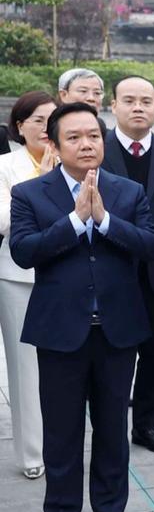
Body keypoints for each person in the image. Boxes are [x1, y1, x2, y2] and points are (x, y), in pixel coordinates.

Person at [9, 102, 154, 512]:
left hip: (117, 329)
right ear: (53, 145)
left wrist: (106, 221)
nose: (86, 144)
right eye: (73, 137)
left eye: (93, 135)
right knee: (62, 429)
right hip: (60, 331)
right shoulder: (30, 194)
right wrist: (76, 221)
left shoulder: (128, 192)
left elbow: (153, 244)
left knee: (113, 426)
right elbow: (24, 251)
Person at [101, 75, 154, 455]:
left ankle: (147, 426)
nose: (139, 107)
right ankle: (109, 428)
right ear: (113, 106)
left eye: (147, 101)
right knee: (111, 358)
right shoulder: (96, 150)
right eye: (130, 100)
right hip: (109, 271)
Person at [0, 92, 57, 479]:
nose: (45, 128)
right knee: (26, 370)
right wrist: (44, 182)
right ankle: (32, 453)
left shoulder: (74, 163)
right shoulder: (6, 166)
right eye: (38, 120)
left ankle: (65, 445)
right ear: (20, 126)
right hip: (18, 277)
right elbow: (8, 222)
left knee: (66, 368)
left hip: (66, 275)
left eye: (53, 120)